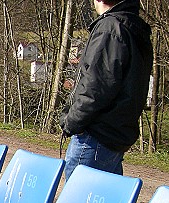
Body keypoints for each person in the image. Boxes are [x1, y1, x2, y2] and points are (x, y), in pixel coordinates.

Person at [59, 0, 153, 180]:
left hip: (94, 138)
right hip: (114, 138)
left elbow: (95, 88)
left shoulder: (110, 29)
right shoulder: (132, 27)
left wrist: (71, 122)